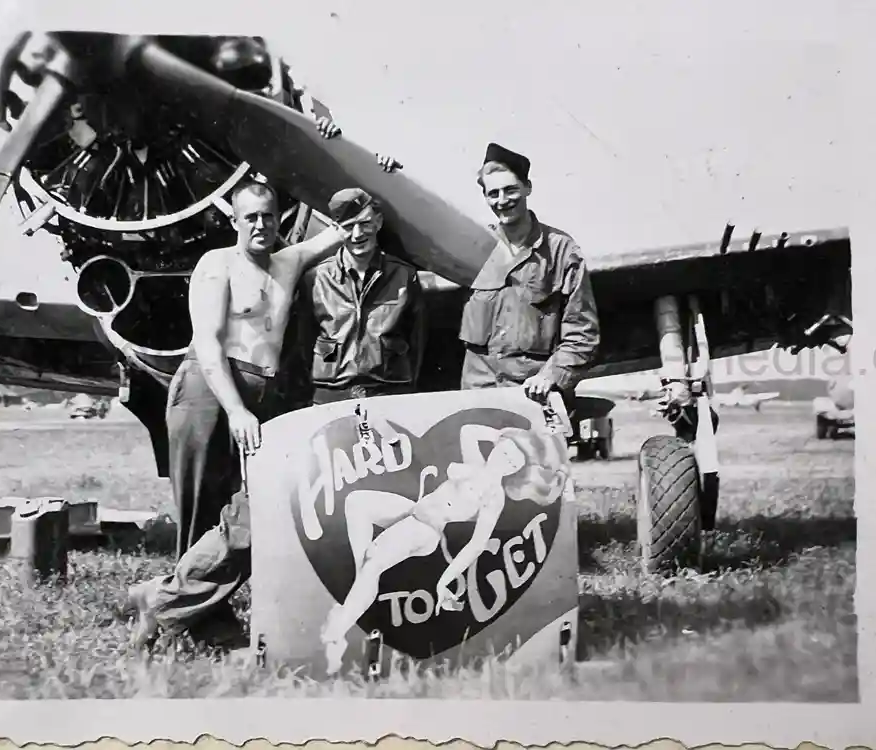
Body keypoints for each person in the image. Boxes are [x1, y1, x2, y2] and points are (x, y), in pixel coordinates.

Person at [127, 119, 402, 652]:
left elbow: (345, 219)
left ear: (280, 220)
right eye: (250, 217)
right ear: (233, 220)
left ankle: (162, 601)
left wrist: (356, 160)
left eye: (269, 217)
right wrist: (234, 409)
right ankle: (198, 619)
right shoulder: (216, 265)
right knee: (203, 511)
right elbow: (207, 344)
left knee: (259, 510)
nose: (260, 225)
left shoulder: (289, 260)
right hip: (211, 391)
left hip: (262, 396)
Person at [318, 421, 568, 674]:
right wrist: (502, 435)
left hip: (426, 529)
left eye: (513, 463)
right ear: (498, 445)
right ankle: (357, 594)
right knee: (357, 503)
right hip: (412, 510)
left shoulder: (494, 498)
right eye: (505, 452)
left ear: (516, 471)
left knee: (373, 565)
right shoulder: (474, 463)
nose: (505, 461)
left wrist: (443, 582)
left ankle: (336, 634)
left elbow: (476, 545)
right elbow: (468, 430)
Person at [458, 142, 600, 402]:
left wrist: (551, 376)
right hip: (478, 395)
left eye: (510, 190)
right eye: (493, 194)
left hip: (535, 395)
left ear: (527, 188)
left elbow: (582, 333)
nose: (502, 201)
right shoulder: (475, 247)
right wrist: (386, 173)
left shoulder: (560, 250)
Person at [297, 188, 426, 405]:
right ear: (337, 229)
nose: (357, 234)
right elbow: (304, 339)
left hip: (389, 391)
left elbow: (418, 339)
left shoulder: (404, 276)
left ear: (378, 222)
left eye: (364, 223)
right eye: (348, 227)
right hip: (331, 393)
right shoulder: (316, 279)